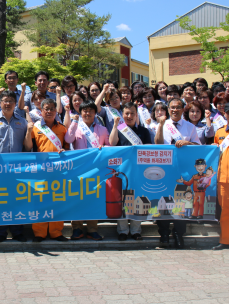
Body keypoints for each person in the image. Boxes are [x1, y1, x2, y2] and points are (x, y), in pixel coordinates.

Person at [0, 91, 33, 242]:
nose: (8, 103)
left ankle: (17, 232)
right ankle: (1, 232)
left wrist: (29, 132)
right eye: (5, 100)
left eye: (11, 100)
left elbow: (28, 147)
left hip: (18, 169)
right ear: (0, 102)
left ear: (15, 103)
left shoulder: (22, 122)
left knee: (17, 200)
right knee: (1, 201)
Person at [154, 98, 201, 249]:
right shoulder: (163, 124)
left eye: (178, 107)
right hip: (164, 170)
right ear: (168, 109)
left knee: (181, 202)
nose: (175, 110)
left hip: (183, 171)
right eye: (172, 108)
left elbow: (199, 147)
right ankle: (164, 234)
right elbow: (157, 143)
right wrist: (160, 126)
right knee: (163, 201)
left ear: (182, 109)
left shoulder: (189, 127)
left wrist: (188, 143)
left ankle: (179, 233)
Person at [65, 102, 109, 241]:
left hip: (96, 169)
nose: (87, 113)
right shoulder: (76, 127)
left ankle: (92, 229)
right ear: (80, 112)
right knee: (76, 199)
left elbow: (109, 147)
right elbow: (68, 139)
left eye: (90, 111)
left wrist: (103, 147)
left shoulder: (102, 129)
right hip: (78, 169)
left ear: (95, 113)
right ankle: (76, 228)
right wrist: (74, 123)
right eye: (84, 111)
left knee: (93, 199)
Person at [110, 102, 152, 241]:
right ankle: (122, 231)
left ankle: (135, 231)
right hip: (122, 171)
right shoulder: (119, 129)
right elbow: (112, 143)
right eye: (126, 113)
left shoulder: (144, 131)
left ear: (136, 114)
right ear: (122, 115)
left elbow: (148, 151)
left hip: (139, 171)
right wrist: (115, 126)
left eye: (132, 113)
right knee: (122, 200)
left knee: (137, 200)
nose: (129, 116)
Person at [29, 98, 70, 242]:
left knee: (57, 200)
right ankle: (39, 233)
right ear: (41, 111)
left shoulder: (62, 128)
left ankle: (56, 232)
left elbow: (67, 147)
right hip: (40, 170)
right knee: (40, 200)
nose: (49, 111)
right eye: (46, 108)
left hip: (58, 170)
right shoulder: (35, 127)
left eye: (52, 108)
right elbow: (29, 147)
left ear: (56, 111)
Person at [212, 102, 229, 251]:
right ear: (225, 114)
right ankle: (226, 240)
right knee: (225, 211)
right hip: (223, 179)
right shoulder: (219, 133)